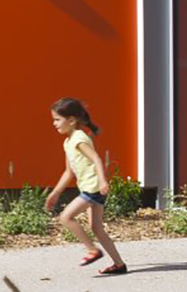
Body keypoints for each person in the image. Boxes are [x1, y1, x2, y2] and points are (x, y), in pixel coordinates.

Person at [44, 97, 127, 276]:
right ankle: (119, 264)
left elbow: (96, 158)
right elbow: (68, 172)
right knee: (96, 228)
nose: (54, 123)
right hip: (91, 187)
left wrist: (103, 180)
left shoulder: (79, 139)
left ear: (71, 120)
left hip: (93, 188)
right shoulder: (68, 142)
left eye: (57, 119)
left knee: (66, 217)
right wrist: (55, 193)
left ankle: (92, 250)